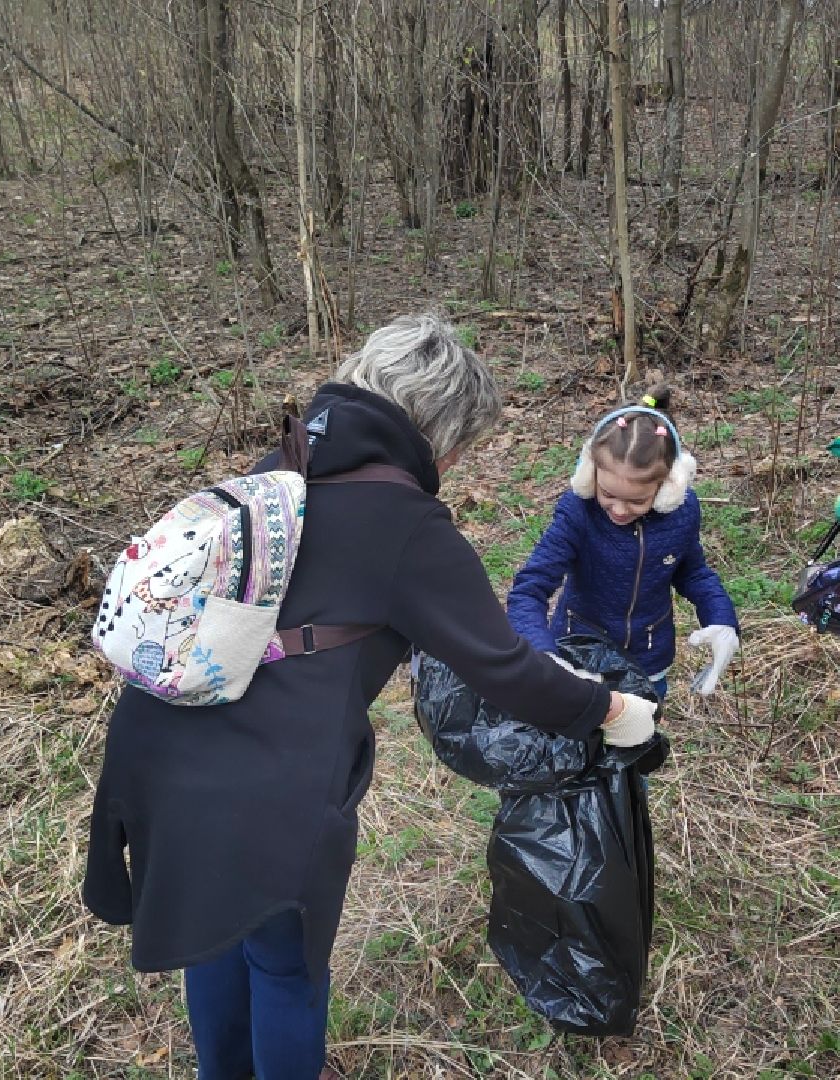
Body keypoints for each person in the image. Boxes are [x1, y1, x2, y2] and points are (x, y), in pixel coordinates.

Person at [82, 315, 658, 1080]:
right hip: (268, 782)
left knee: (217, 936)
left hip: (161, 739)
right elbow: (507, 669)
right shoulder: (407, 523)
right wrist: (613, 712)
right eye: (461, 445)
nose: (454, 462)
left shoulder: (280, 463)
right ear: (438, 429)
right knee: (286, 965)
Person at [507, 386, 741, 699]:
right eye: (608, 494)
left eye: (637, 500)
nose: (619, 509)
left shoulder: (681, 512)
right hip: (579, 659)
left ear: (668, 487)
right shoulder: (579, 511)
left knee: (640, 741)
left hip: (648, 659)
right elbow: (529, 588)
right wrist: (544, 656)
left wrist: (722, 620)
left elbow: (692, 572)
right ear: (590, 474)